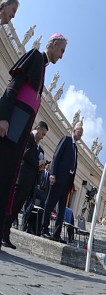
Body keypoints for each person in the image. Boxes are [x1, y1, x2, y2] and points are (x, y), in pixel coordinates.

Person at [0, 31, 66, 251]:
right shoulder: (36, 56)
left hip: (18, 133)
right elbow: (13, 86)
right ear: (54, 44)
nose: (62, 56)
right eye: (62, 50)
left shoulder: (43, 67)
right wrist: (3, 117)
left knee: (7, 179)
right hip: (11, 128)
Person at [2, 120, 47, 248]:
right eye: (42, 134)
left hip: (27, 183)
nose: (43, 137)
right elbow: (26, 154)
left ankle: (6, 234)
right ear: (38, 129)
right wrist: (38, 163)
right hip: (21, 180)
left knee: (15, 209)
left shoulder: (36, 144)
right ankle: (3, 233)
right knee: (11, 208)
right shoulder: (28, 137)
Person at [41, 122, 82, 243]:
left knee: (62, 209)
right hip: (58, 178)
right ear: (74, 130)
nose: (81, 134)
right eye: (79, 131)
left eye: (82, 133)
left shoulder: (75, 148)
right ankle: (44, 228)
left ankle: (57, 233)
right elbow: (56, 156)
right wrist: (52, 173)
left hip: (68, 182)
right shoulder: (66, 140)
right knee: (50, 202)